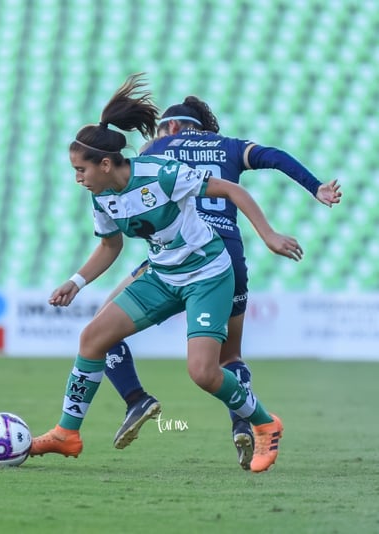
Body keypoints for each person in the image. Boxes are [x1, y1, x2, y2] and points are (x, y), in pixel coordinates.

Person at [29, 73, 305, 473]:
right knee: (91, 339)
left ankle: (264, 422)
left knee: (204, 373)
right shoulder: (102, 196)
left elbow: (233, 190)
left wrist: (269, 235)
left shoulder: (161, 173)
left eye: (80, 169)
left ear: (105, 163)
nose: (77, 178)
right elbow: (109, 247)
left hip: (207, 274)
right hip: (161, 277)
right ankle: (66, 434)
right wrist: (76, 282)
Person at [102, 96, 342, 469]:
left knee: (103, 328)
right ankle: (242, 424)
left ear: (174, 127)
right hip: (228, 258)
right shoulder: (227, 146)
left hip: (178, 255)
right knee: (229, 357)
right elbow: (275, 156)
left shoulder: (160, 147)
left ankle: (135, 398)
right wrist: (316, 188)